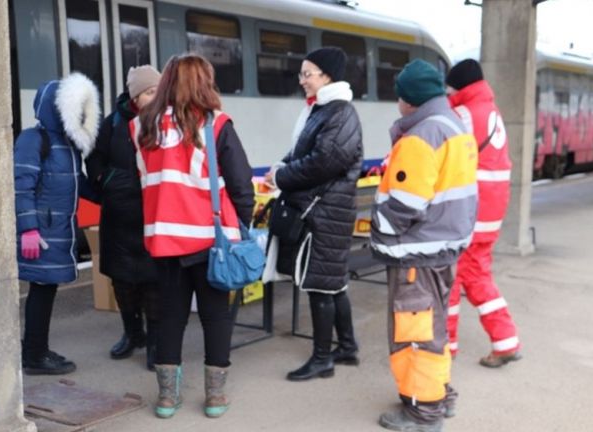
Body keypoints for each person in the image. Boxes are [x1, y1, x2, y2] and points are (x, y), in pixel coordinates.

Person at [131, 54, 254, 419]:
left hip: (165, 239)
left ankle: (167, 398)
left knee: (171, 316)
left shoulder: (142, 127)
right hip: (210, 240)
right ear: (204, 83)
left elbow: (143, 181)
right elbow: (241, 184)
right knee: (215, 317)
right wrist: (241, 224)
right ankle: (215, 397)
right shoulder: (216, 125)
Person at [370, 59, 477, 431]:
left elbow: (405, 203)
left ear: (409, 100)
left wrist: (379, 226)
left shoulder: (421, 136)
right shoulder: (454, 126)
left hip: (417, 251)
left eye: (399, 96)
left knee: (415, 334)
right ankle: (440, 395)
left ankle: (424, 412)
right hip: (442, 247)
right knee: (433, 328)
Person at [264, 46, 364, 382]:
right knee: (333, 283)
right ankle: (346, 347)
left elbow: (323, 162)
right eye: (302, 73)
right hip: (325, 209)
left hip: (325, 211)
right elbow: (301, 152)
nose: (302, 80)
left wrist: (281, 176)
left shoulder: (339, 113)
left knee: (320, 285)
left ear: (327, 76)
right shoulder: (322, 110)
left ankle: (322, 359)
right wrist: (279, 167)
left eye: (308, 74)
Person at [14, 72, 101, 375]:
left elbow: (79, 183)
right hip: (41, 233)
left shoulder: (68, 144)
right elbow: (21, 186)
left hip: (59, 230)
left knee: (46, 288)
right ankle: (35, 355)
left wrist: (109, 193)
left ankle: (36, 349)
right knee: (42, 288)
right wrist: (28, 229)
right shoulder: (32, 140)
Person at [445, 59, 521, 368]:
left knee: (449, 276)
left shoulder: (464, 113)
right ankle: (506, 341)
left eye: (450, 89)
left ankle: (444, 347)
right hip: (491, 209)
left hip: (469, 210)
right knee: (476, 274)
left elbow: (447, 155)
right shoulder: (491, 111)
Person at [86, 65, 161, 370]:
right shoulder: (113, 123)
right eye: (149, 92)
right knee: (122, 281)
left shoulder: (166, 122)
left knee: (154, 282)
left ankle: (155, 342)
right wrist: (108, 182)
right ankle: (133, 334)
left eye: (158, 91)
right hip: (119, 215)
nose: (155, 96)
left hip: (153, 216)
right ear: (135, 96)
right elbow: (94, 160)